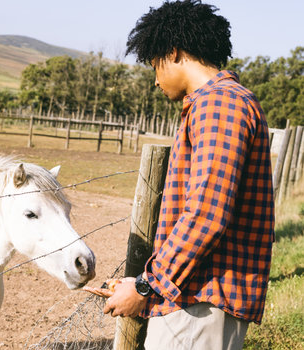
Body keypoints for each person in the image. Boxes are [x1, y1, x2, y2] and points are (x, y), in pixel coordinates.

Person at [102, 1, 275, 349]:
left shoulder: (219, 104)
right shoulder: (219, 103)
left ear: (175, 53)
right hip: (196, 294)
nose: (154, 80)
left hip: (201, 302)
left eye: (155, 65)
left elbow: (207, 214)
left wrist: (145, 286)